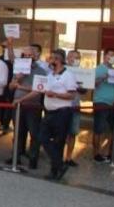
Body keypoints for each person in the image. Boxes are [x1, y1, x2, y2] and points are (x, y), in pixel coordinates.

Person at [19, 50, 78, 181]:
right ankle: (59, 164)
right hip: (49, 112)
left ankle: (55, 170)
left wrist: (55, 94)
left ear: (57, 60)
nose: (48, 60)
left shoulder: (68, 75)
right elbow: (38, 90)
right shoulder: (49, 74)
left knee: (58, 142)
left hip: (62, 112)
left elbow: (71, 95)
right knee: (42, 137)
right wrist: (21, 99)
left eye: (51, 58)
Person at [9, 45, 49, 169]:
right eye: (24, 55)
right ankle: (16, 157)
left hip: (32, 105)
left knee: (34, 133)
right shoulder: (18, 69)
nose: (26, 57)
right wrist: (17, 78)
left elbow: (39, 90)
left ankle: (33, 158)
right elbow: (10, 87)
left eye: (29, 55)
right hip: (18, 105)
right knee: (18, 132)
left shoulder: (41, 71)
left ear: (35, 56)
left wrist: (21, 88)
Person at [93, 48, 114, 163]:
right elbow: (93, 84)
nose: (113, 57)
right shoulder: (98, 69)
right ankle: (96, 154)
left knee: (113, 129)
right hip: (101, 102)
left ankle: (109, 153)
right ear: (105, 56)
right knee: (99, 129)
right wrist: (104, 77)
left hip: (113, 103)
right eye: (111, 55)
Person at [63, 49, 84, 167]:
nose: (75, 60)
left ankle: (69, 157)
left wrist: (81, 87)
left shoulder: (82, 72)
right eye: (73, 57)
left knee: (73, 132)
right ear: (67, 58)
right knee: (60, 132)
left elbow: (84, 91)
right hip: (62, 106)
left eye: (78, 58)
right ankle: (58, 156)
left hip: (75, 106)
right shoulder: (61, 71)